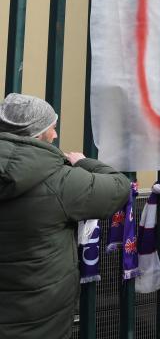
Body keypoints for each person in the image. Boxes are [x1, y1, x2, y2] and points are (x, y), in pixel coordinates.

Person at [0, 92, 131, 338]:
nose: (55, 135)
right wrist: (83, 162)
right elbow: (118, 187)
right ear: (37, 133)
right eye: (53, 128)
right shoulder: (60, 181)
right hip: (41, 319)